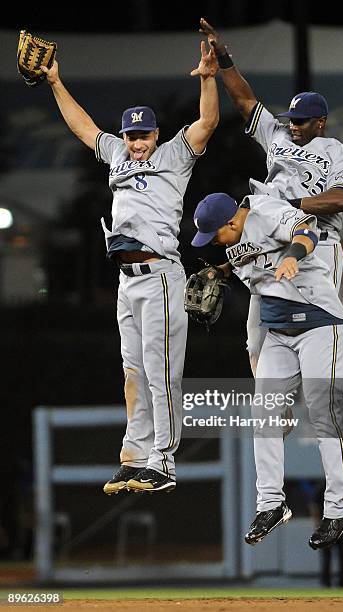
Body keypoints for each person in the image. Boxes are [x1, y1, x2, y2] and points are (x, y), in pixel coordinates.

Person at [41, 42, 219, 495]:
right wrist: (56, 82)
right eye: (131, 135)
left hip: (160, 275)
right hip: (127, 281)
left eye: (144, 134)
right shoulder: (118, 157)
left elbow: (208, 123)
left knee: (161, 372)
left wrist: (207, 77)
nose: (137, 142)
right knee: (134, 372)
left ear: (156, 134)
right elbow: (84, 128)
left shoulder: (173, 157)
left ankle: (165, 461)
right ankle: (136, 454)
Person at [191, 192, 343, 550]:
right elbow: (247, 260)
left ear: (233, 221)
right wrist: (219, 271)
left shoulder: (266, 211)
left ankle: (339, 508)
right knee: (263, 414)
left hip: (318, 323)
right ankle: (270, 504)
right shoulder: (237, 239)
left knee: (321, 411)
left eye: (214, 235)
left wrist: (294, 256)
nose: (213, 242)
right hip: (279, 333)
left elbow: (306, 231)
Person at [198, 18, 343, 376]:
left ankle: (330, 409)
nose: (293, 125)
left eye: (301, 121)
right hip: (268, 237)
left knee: (317, 328)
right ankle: (276, 408)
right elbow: (244, 100)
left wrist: (292, 206)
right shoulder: (278, 135)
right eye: (291, 118)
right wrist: (224, 58)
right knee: (256, 338)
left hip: (318, 242)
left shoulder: (335, 152)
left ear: (320, 122)